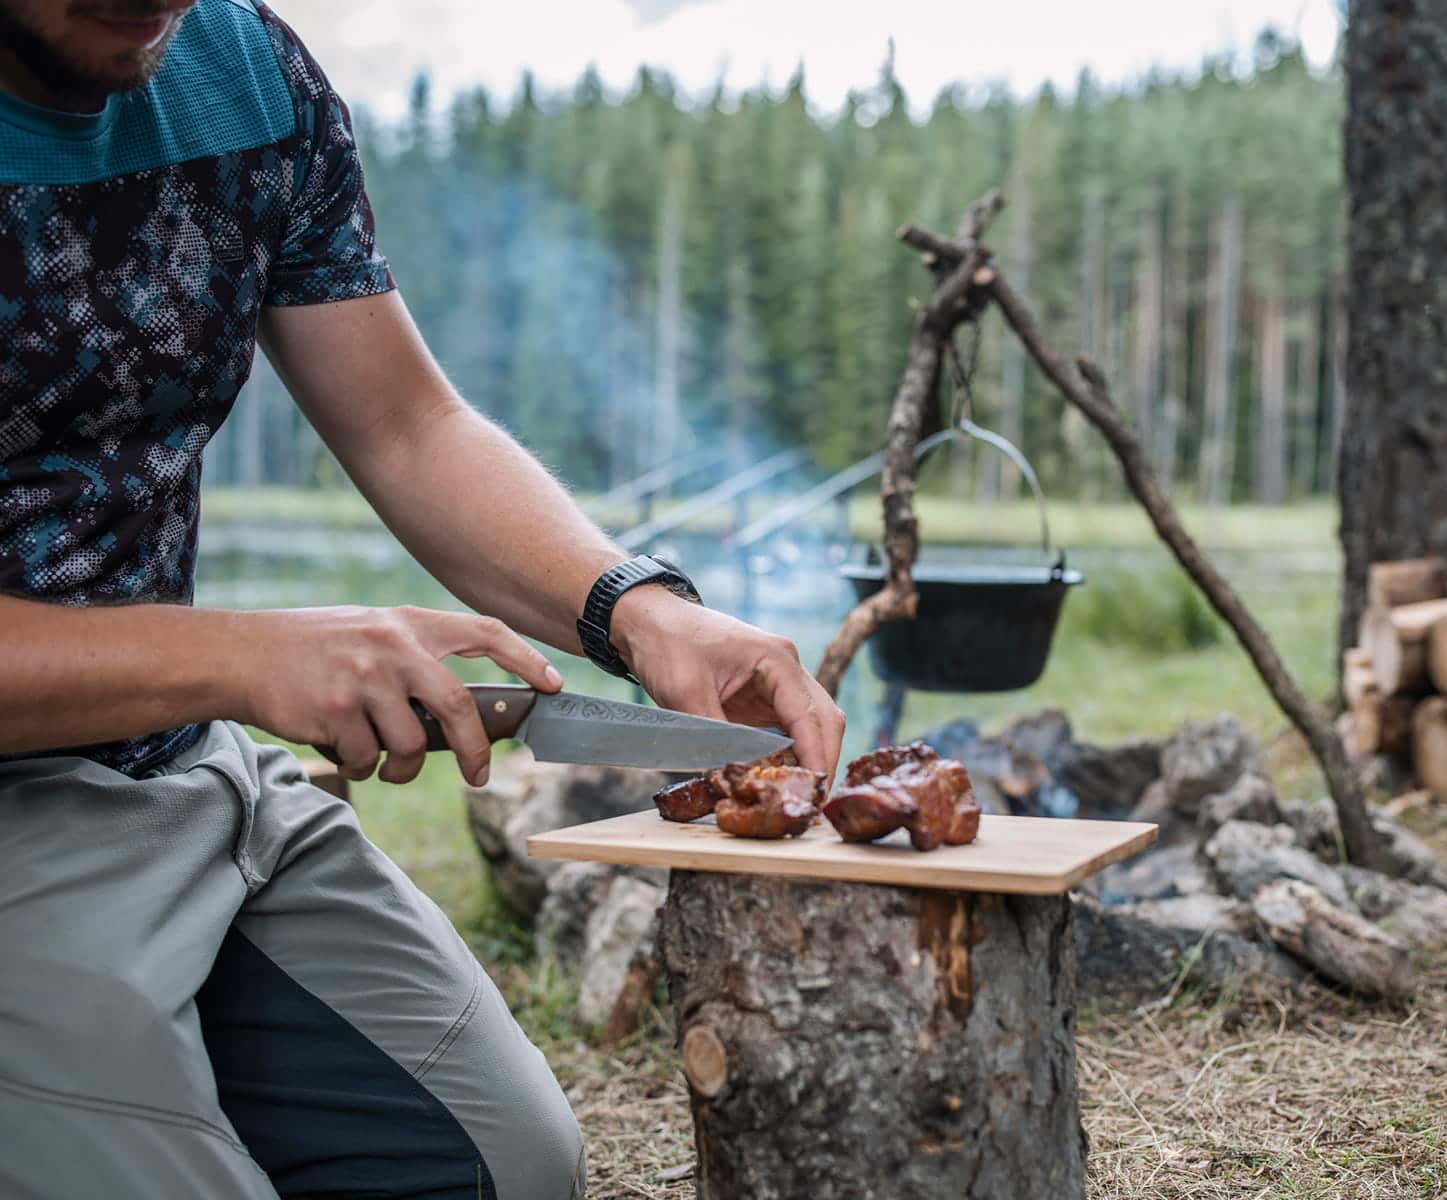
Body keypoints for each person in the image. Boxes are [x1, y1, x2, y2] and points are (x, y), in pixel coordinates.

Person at [0, 0, 847, 1194]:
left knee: (500, 1168)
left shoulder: (246, 71)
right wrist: (240, 659)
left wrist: (639, 608)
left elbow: (408, 425)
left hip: (181, 776)